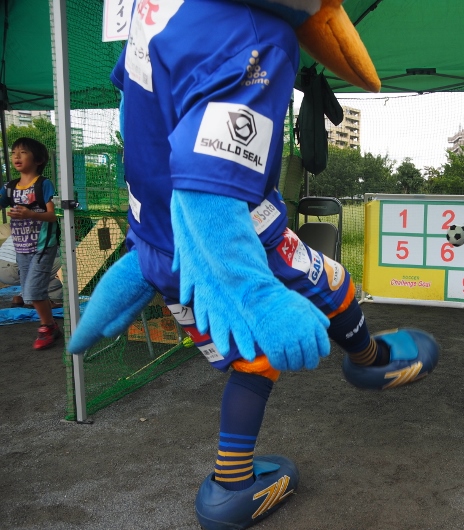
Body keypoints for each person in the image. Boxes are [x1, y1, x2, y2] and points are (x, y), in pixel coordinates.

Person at [67, 2, 438, 529]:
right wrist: (257, 295)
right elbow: (206, 184)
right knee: (331, 284)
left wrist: (146, 253)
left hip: (160, 249)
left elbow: (139, 116)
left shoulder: (156, 13)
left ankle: (232, 480)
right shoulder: (252, 33)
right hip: (235, 236)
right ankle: (370, 361)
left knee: (250, 359)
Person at [0, 138, 62, 349]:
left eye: (23, 152)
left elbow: (53, 215)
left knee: (33, 292)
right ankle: (52, 325)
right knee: (30, 293)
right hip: (21, 247)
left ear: (38, 160)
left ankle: (47, 327)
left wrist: (29, 214)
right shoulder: (9, 188)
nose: (16, 156)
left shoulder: (43, 184)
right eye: (14, 153)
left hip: (43, 246)